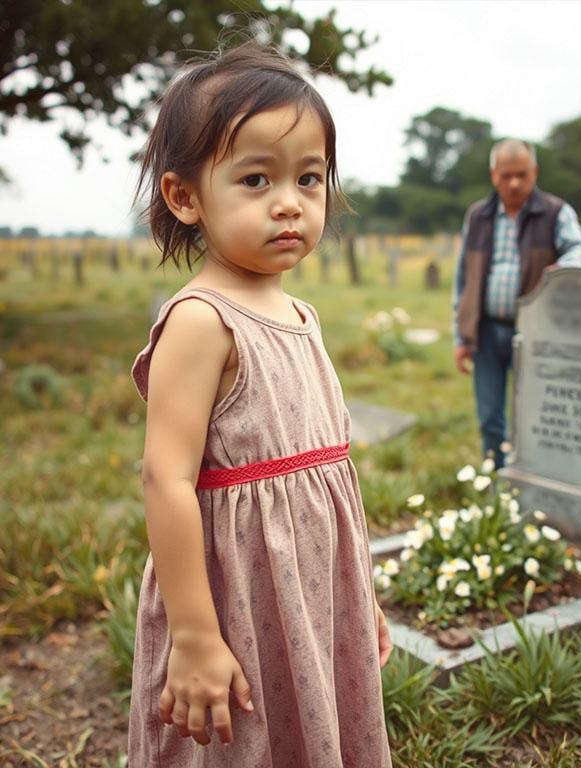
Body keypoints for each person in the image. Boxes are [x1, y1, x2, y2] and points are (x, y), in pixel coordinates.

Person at [127, 42, 393, 768]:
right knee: (245, 741)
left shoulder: (302, 316)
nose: (291, 202)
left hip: (310, 593)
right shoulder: (201, 320)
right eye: (255, 178)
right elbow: (167, 479)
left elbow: (327, 484)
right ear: (186, 197)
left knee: (307, 730)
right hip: (236, 595)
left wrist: (353, 595)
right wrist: (194, 636)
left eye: (309, 178)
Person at [453, 139, 581, 469]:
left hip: (536, 334)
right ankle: (496, 484)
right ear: (493, 175)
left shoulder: (555, 212)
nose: (514, 183)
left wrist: (567, 266)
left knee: (536, 418)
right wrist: (461, 336)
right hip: (486, 333)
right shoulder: (477, 216)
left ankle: (534, 483)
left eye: (521, 175)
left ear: (535, 173)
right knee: (490, 417)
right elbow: (462, 279)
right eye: (506, 176)